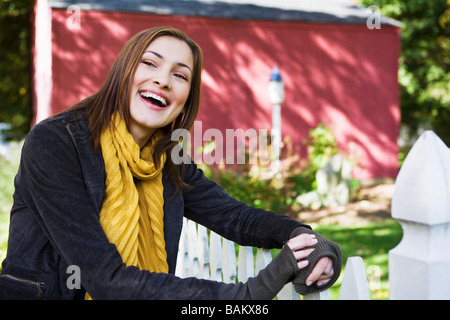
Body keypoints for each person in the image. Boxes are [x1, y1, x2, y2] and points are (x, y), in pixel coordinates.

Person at [0, 27, 341, 300]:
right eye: (149, 63)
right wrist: (249, 293)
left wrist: (305, 239)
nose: (162, 80)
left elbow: (234, 216)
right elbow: (103, 279)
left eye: (180, 75)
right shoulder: (55, 144)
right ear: (123, 72)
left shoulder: (167, 161)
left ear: (183, 104)